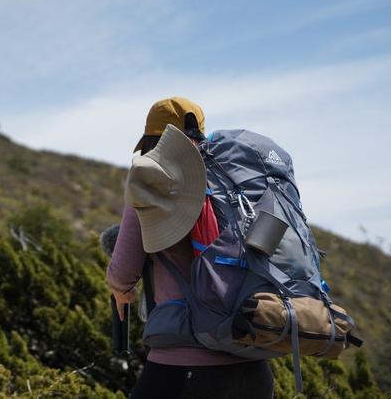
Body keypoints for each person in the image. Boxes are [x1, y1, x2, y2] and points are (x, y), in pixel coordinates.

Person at [106, 97, 274, 399]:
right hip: (254, 365)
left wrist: (121, 291)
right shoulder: (237, 179)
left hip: (185, 364)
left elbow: (122, 274)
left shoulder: (150, 179)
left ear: (154, 140)